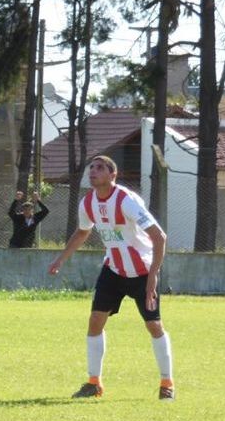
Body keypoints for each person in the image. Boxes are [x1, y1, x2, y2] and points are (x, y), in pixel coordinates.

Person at [47, 155, 174, 401]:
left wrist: (153, 276)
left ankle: (167, 383)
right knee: (95, 320)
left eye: (100, 168)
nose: (93, 171)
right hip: (113, 269)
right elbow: (83, 232)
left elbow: (160, 237)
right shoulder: (87, 203)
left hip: (142, 272)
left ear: (112, 175)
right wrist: (60, 259)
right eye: (91, 167)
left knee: (153, 325)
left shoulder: (126, 201)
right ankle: (94, 383)